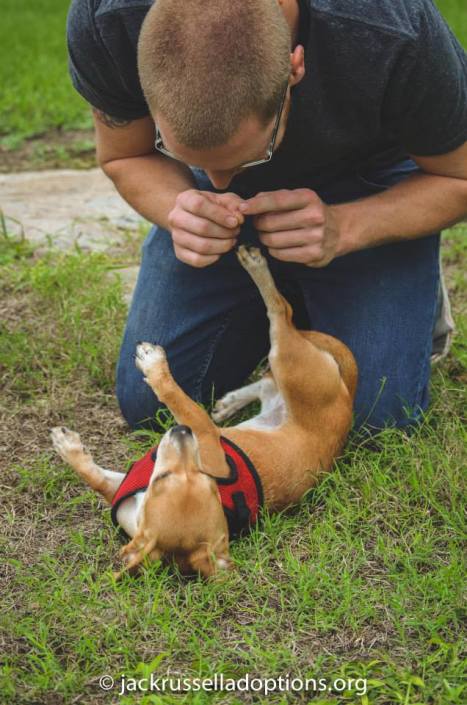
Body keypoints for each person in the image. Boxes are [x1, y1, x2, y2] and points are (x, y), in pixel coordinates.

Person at [67, 0, 467, 434]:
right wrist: (180, 207)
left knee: (377, 421)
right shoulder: (108, 19)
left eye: (253, 154)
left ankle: (396, 291)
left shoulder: (391, 27)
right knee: (151, 404)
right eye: (188, 156)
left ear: (295, 68)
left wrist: (346, 228)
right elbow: (126, 155)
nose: (220, 186)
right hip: (233, 219)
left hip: (371, 180)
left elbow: (458, 177)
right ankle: (299, 298)